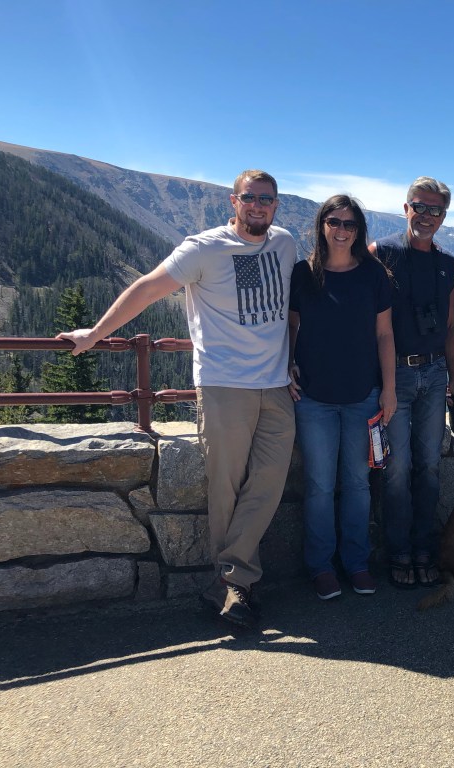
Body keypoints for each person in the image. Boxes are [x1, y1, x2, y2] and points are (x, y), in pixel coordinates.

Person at [57, 170, 297, 627]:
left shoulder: (284, 243)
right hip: (224, 385)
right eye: (250, 198)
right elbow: (147, 288)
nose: (258, 206)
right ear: (234, 201)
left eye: (266, 199)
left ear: (276, 205)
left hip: (276, 385)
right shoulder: (203, 248)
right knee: (225, 487)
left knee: (268, 483)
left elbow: (292, 311)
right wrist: (95, 334)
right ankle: (233, 583)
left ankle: (231, 577)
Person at [288, 195, 395, 601]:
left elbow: (384, 334)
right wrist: (287, 363)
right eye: (334, 222)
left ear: (359, 230)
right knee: (318, 484)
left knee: (357, 483)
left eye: (350, 224)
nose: (342, 230)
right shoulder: (304, 274)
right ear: (322, 225)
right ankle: (320, 567)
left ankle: (356, 563)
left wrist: (388, 389)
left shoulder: (373, 275)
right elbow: (292, 326)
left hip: (362, 395)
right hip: (313, 397)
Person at [369, 177, 454, 589]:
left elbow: (451, 327)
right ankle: (399, 552)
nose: (426, 216)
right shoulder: (381, 253)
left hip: (435, 373)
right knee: (397, 468)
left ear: (443, 216)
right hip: (395, 376)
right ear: (406, 208)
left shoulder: (449, 264)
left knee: (428, 466)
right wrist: (385, 385)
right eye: (420, 207)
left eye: (435, 210)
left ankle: (424, 549)